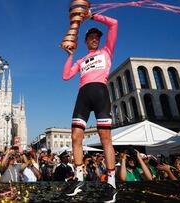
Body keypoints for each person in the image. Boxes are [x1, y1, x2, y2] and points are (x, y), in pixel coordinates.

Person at [61, 10, 118, 195]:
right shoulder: (81, 59)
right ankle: (79, 180)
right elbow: (66, 76)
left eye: (96, 37)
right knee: (76, 137)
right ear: (86, 41)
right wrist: (70, 55)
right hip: (83, 96)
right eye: (91, 37)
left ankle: (111, 182)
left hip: (100, 93)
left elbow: (114, 24)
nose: (94, 39)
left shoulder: (106, 51)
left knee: (105, 139)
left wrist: (92, 16)